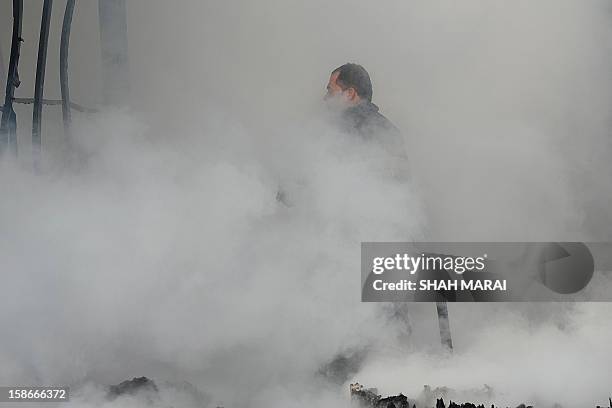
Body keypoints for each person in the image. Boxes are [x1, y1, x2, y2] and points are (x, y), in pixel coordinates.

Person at [324, 63, 409, 181]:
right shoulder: (389, 131)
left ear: (349, 93)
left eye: (330, 91)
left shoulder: (341, 131)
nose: (326, 98)